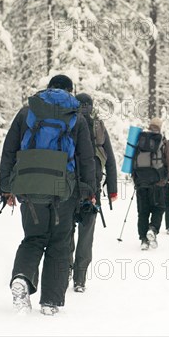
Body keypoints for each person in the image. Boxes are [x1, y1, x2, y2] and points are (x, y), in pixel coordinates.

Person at [0, 74, 96, 316]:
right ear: (70, 91)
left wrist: (6, 188)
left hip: (30, 187)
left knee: (33, 238)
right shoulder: (77, 117)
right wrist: (88, 193)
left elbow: (9, 150)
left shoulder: (27, 112)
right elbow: (86, 159)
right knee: (60, 243)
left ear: (49, 88)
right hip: (64, 191)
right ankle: (50, 303)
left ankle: (21, 278)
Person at [69, 93, 118, 293]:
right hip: (92, 190)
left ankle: (66, 270)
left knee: (66, 230)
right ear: (91, 106)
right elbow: (111, 161)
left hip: (69, 187)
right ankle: (80, 279)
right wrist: (112, 189)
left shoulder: (69, 121)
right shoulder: (97, 126)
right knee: (86, 235)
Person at [132, 117, 169, 250]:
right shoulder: (163, 142)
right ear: (159, 128)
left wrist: (136, 179)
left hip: (141, 182)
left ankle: (143, 240)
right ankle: (153, 229)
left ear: (149, 127)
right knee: (159, 208)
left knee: (142, 212)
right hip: (158, 183)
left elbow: (132, 160)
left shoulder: (140, 139)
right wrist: (167, 175)